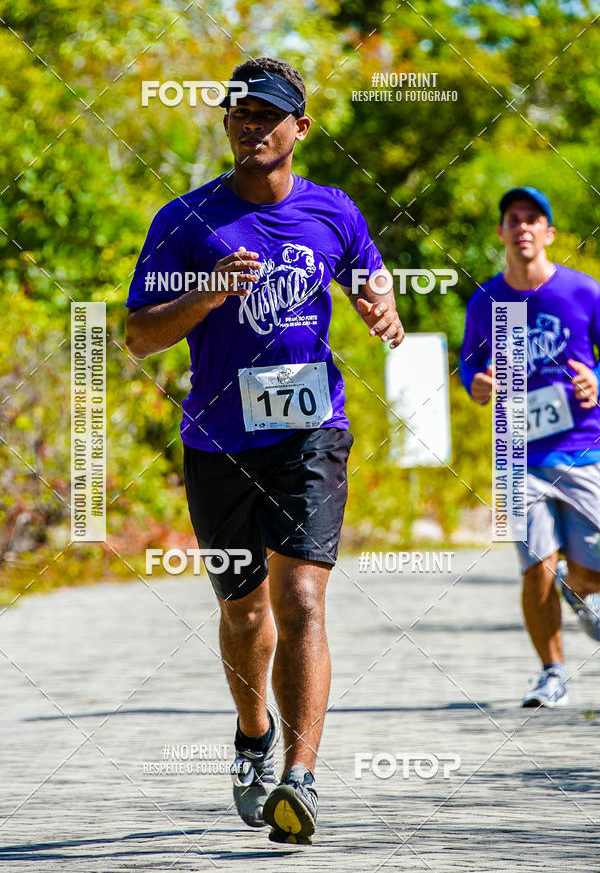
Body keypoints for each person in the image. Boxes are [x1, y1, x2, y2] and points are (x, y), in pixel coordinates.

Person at [125, 56, 403, 843]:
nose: (250, 124)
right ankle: (254, 733)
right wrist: (210, 288)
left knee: (304, 599)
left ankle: (301, 775)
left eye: (267, 113)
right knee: (244, 612)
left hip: (311, 429)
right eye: (239, 112)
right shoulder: (187, 220)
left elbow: (369, 282)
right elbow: (139, 335)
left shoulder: (335, 210)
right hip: (218, 439)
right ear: (226, 125)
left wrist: (381, 309)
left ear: (299, 129)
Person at [460, 186, 600, 708]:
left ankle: (578, 585)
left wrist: (596, 382)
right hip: (518, 453)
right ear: (501, 233)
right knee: (534, 564)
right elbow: (470, 366)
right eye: (512, 219)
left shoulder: (583, 292)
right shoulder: (487, 300)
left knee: (591, 569)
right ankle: (552, 672)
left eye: (532, 219)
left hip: (585, 448)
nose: (522, 227)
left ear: (549, 233)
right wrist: (475, 384)